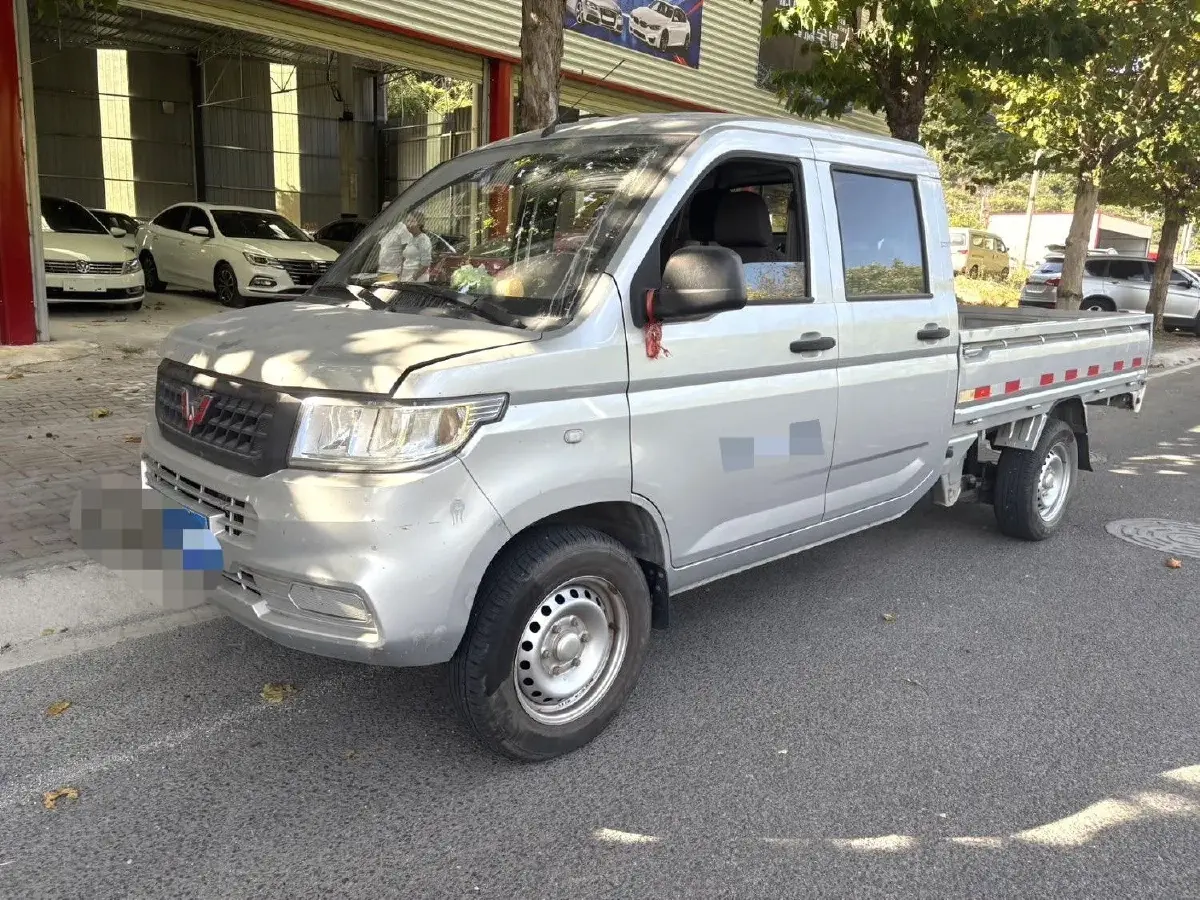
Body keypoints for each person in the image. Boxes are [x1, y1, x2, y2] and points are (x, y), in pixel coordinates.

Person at [399, 211, 432, 283]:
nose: (408, 224)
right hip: (405, 278)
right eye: (407, 221)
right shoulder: (410, 237)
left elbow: (425, 264)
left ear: (420, 224)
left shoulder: (423, 239)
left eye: (412, 221)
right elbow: (404, 258)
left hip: (416, 280)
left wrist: (412, 278)